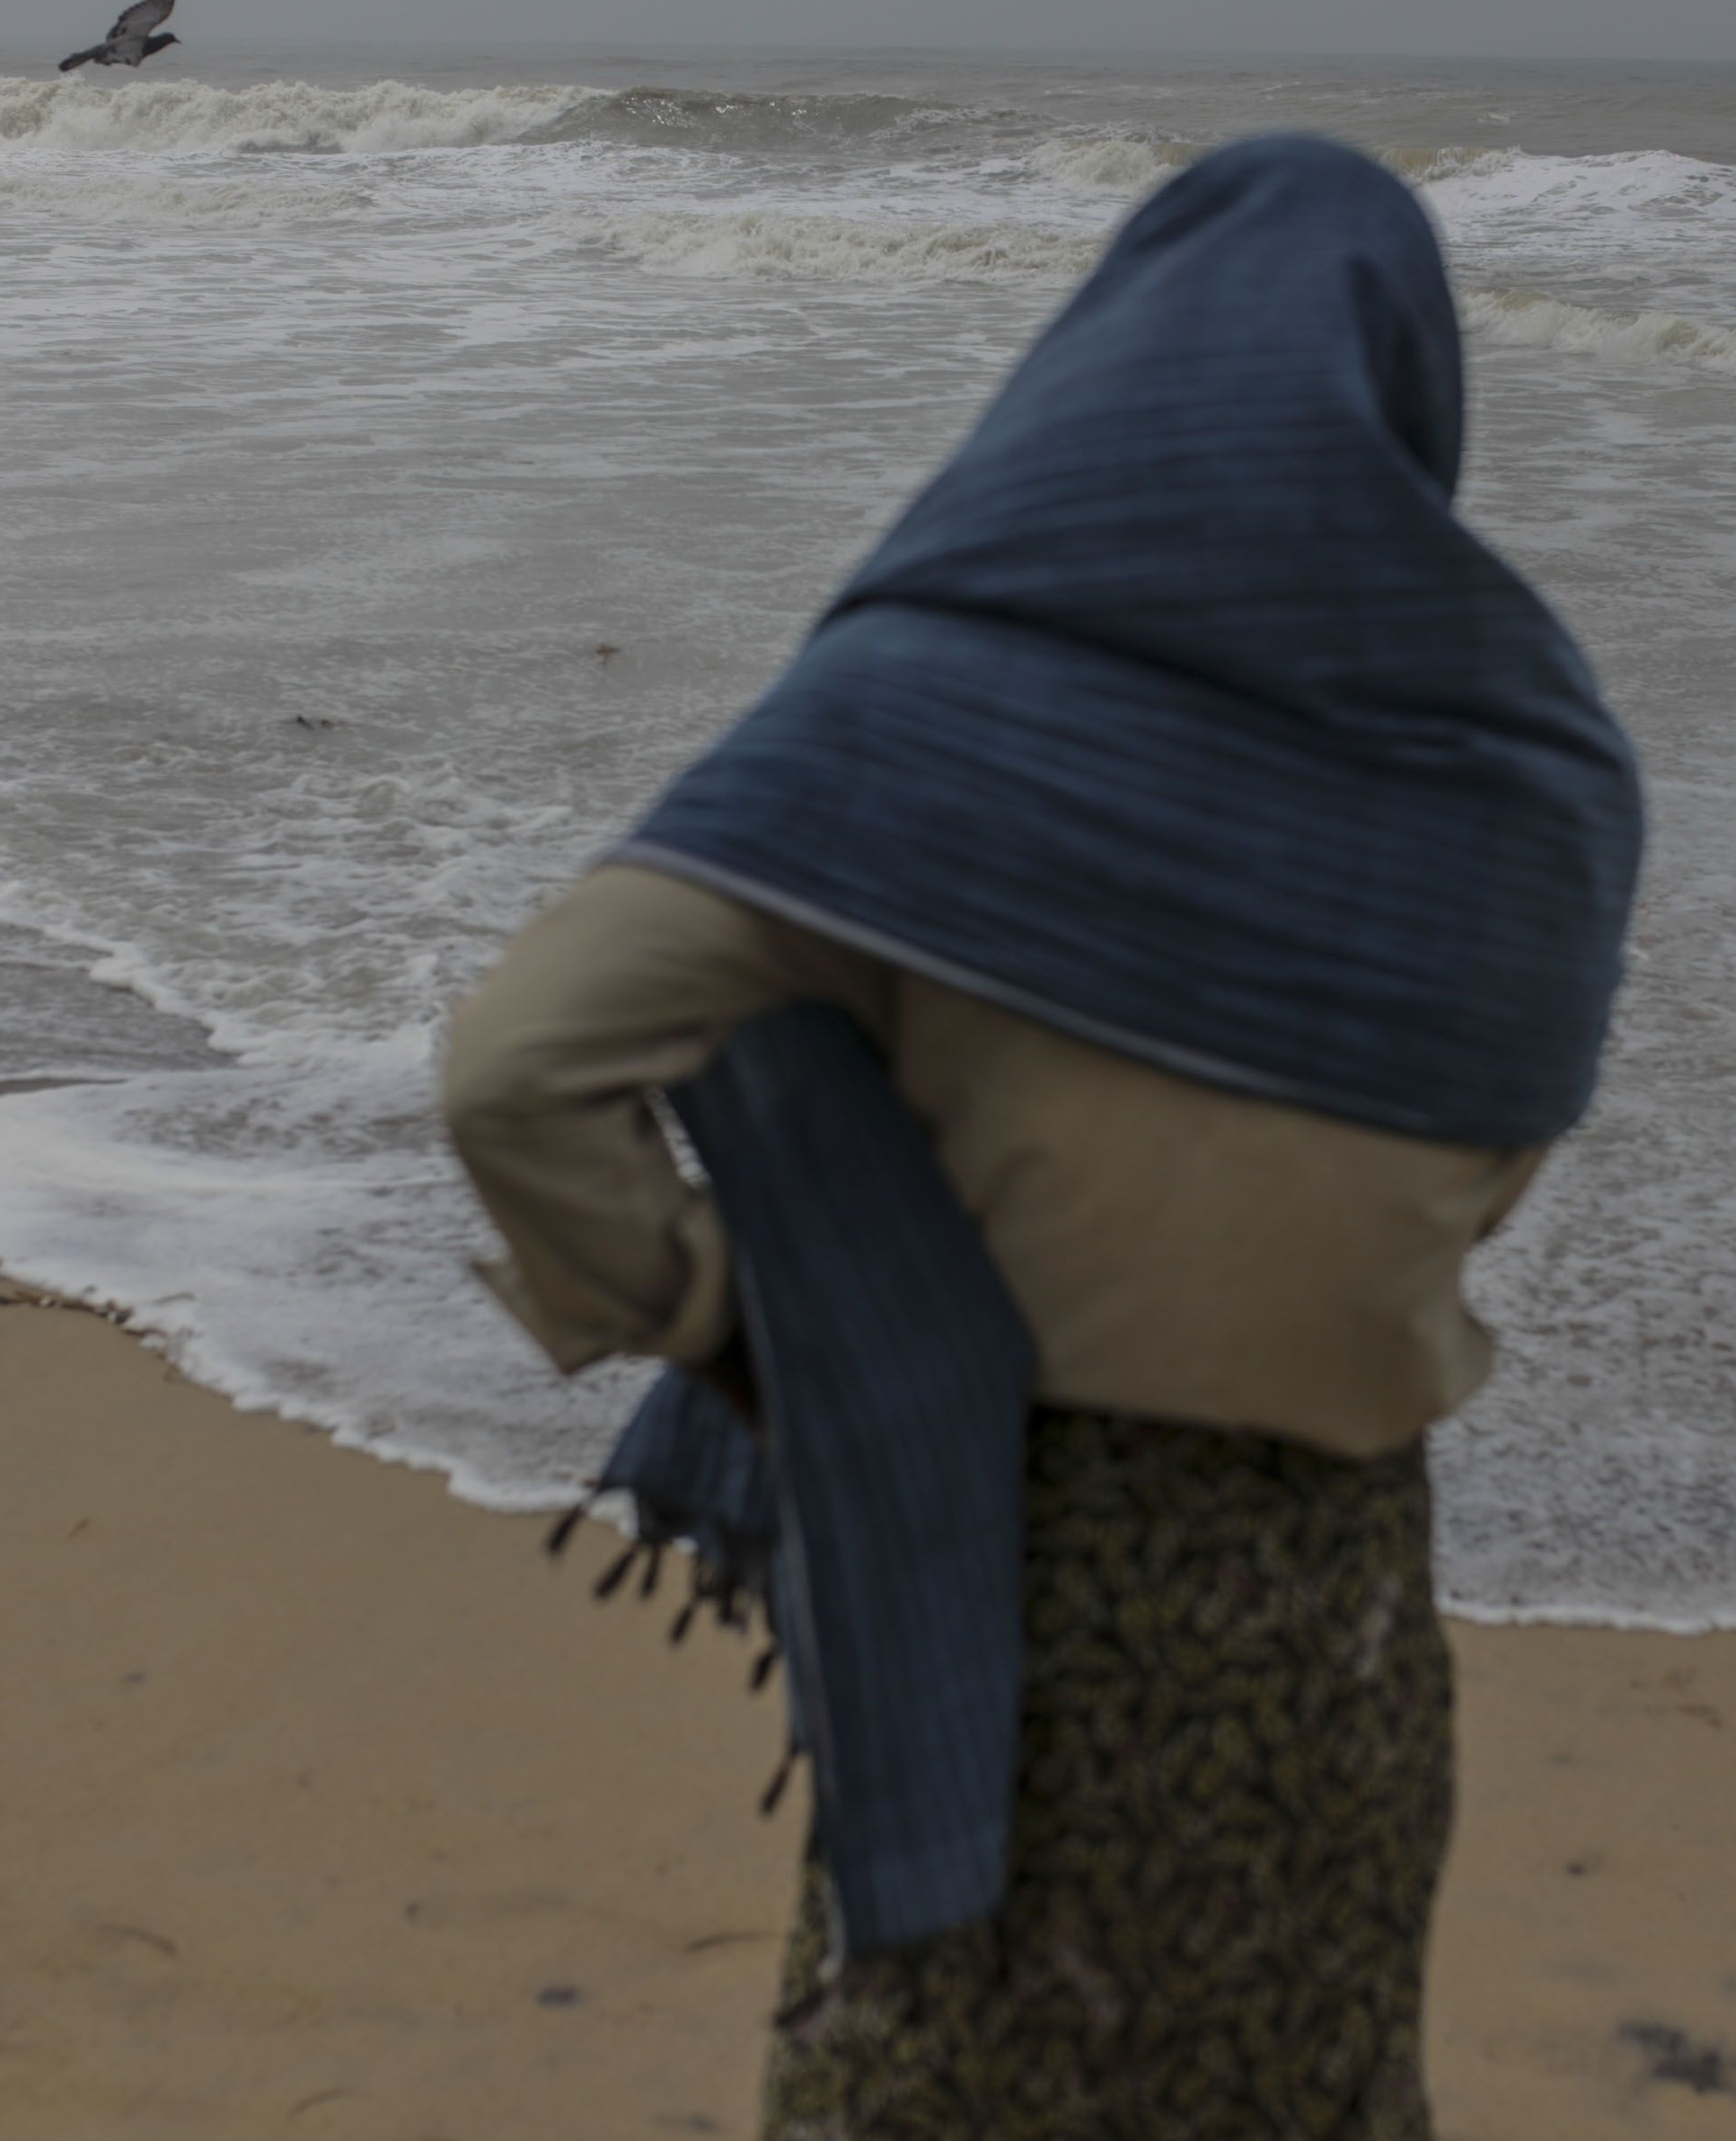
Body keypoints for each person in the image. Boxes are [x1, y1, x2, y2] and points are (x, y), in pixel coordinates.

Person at [439, 132, 1641, 2141]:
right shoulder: (1532, 777)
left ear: (1116, 361)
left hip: (992, 1577)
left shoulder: (916, 708)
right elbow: (1469, 1178)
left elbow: (515, 1069)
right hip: (1327, 1613)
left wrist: (762, 1312)